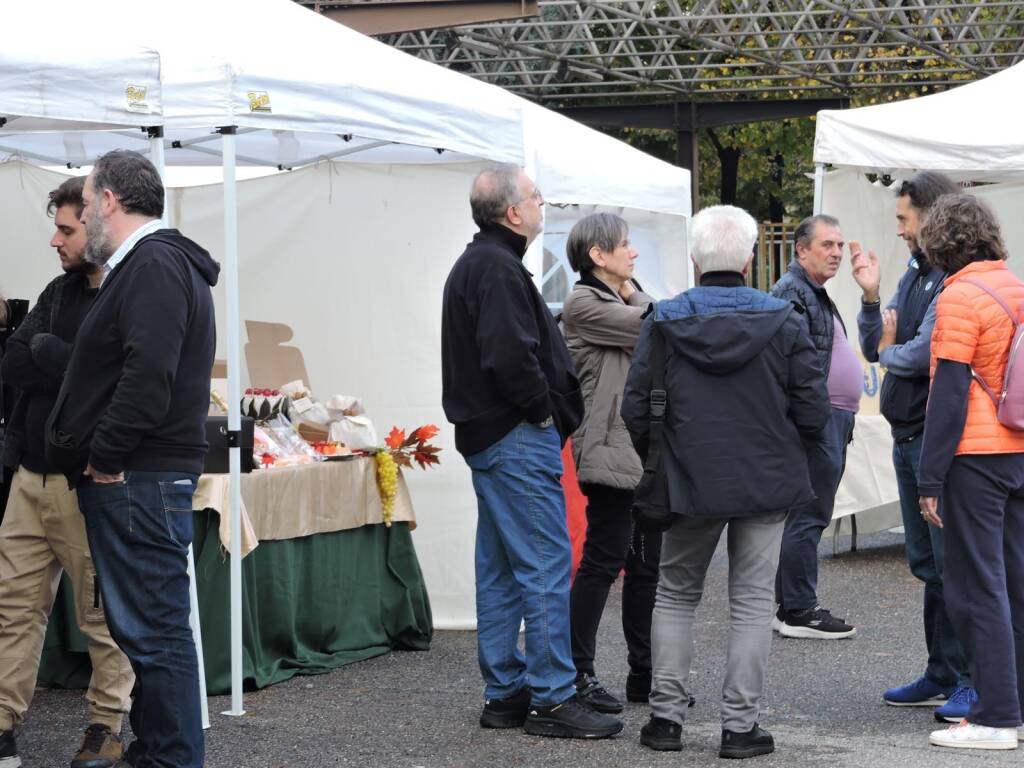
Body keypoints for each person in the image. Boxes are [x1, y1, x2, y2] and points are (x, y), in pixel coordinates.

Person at [623, 205, 829, 757]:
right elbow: (813, 409)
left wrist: (661, 457)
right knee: (753, 602)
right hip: (766, 479)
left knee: (676, 593)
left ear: (694, 258)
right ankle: (740, 728)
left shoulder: (664, 319)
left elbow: (635, 405)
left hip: (688, 479)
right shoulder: (783, 320)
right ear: (751, 256)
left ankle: (665, 720)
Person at [46, 150, 219, 768]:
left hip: (136, 476)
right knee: (146, 631)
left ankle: (171, 759)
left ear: (111, 202)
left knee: (156, 633)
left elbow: (150, 374)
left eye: (87, 204)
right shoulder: (149, 265)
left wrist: (106, 457)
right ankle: (159, 754)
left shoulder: (153, 265)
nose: (83, 214)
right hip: (137, 475)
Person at [441, 164, 622, 740]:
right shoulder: (495, 268)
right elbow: (509, 355)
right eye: (537, 198)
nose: (544, 206)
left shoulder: (484, 264)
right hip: (515, 434)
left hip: (494, 437)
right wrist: (543, 409)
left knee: (499, 569)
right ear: (514, 212)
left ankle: (506, 692)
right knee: (545, 563)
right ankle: (551, 696)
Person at [0, 177, 134, 768]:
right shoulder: (58, 290)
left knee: (102, 618)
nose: (55, 240)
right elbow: (12, 361)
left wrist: (54, 354)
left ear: (99, 224)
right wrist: (66, 360)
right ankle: (2, 724)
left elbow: (106, 384)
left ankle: (105, 728)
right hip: (30, 480)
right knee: (12, 608)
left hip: (89, 484)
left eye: (66, 229)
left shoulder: (129, 292)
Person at [853, 172, 974, 720]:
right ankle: (941, 672)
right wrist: (873, 301)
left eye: (904, 219)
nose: (899, 230)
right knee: (928, 566)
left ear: (930, 215)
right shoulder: (914, 273)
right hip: (906, 438)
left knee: (956, 567)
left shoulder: (954, 278)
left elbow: (920, 352)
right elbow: (879, 343)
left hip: (935, 441)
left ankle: (973, 679)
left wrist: (887, 347)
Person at [917, 194, 1024, 751]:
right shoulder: (1013, 284)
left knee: (976, 587)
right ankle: (1014, 706)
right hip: (1018, 449)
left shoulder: (959, 296)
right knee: (1015, 582)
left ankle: (997, 717)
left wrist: (929, 479)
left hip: (977, 456)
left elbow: (950, 392)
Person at [561, 213, 658, 713]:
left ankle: (644, 673)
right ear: (598, 256)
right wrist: (636, 294)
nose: (633, 253)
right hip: (606, 450)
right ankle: (577, 672)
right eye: (625, 246)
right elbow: (654, 326)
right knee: (603, 560)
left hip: (637, 452)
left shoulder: (612, 296)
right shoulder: (583, 303)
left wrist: (632, 290)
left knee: (645, 565)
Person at [769, 215, 859, 639]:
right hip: (817, 422)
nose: (837, 253)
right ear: (801, 249)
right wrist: (814, 421)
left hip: (830, 419)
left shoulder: (812, 292)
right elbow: (792, 365)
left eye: (840, 245)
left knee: (808, 514)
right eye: (827, 245)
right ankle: (798, 610)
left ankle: (792, 605)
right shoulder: (792, 292)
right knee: (808, 514)